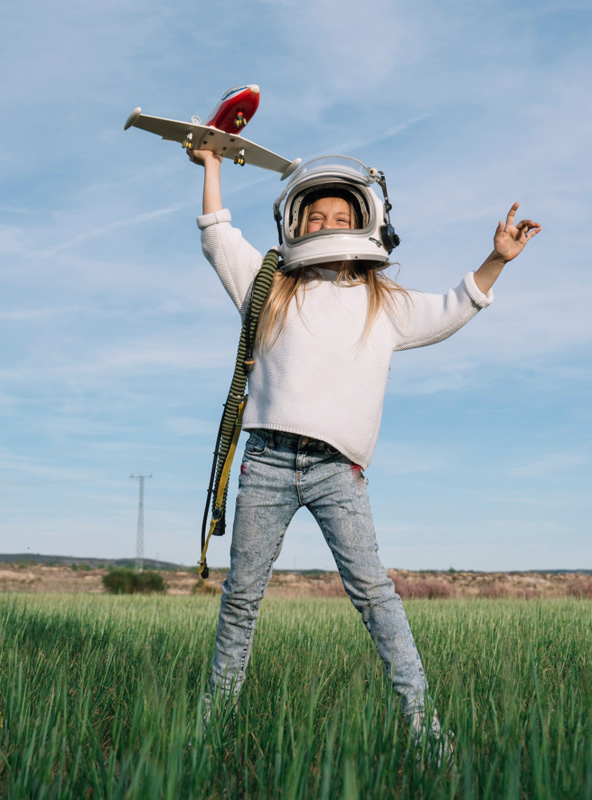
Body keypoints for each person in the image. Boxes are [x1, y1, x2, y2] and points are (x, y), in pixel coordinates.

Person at [189, 148, 540, 750]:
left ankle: (427, 733)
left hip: (337, 472)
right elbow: (219, 238)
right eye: (315, 217)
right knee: (241, 599)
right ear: (295, 223)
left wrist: (495, 260)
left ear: (366, 221)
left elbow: (455, 306)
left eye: (337, 216)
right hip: (266, 464)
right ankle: (209, 731)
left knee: (377, 599)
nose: (325, 225)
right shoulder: (270, 286)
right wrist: (213, 166)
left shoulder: (386, 302)